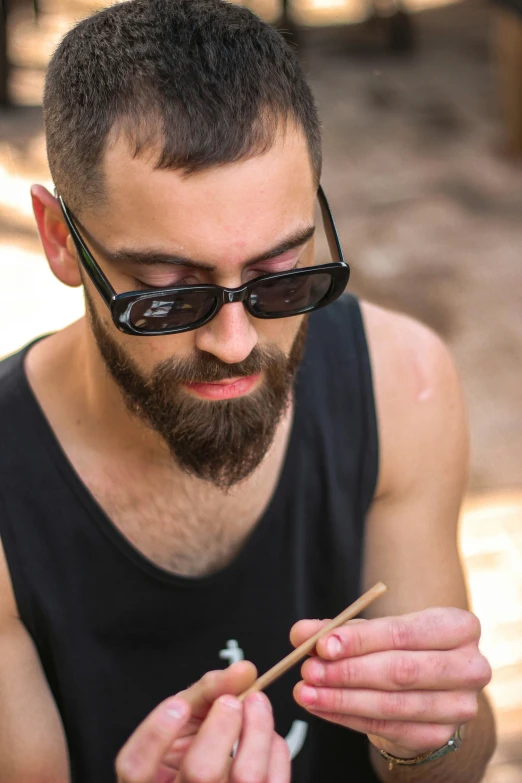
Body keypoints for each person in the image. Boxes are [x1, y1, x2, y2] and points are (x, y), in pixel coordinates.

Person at [0, 1, 496, 782]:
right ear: (61, 241)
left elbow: (457, 762)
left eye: (278, 277)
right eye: (167, 293)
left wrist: (421, 737)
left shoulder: (404, 385)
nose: (233, 344)